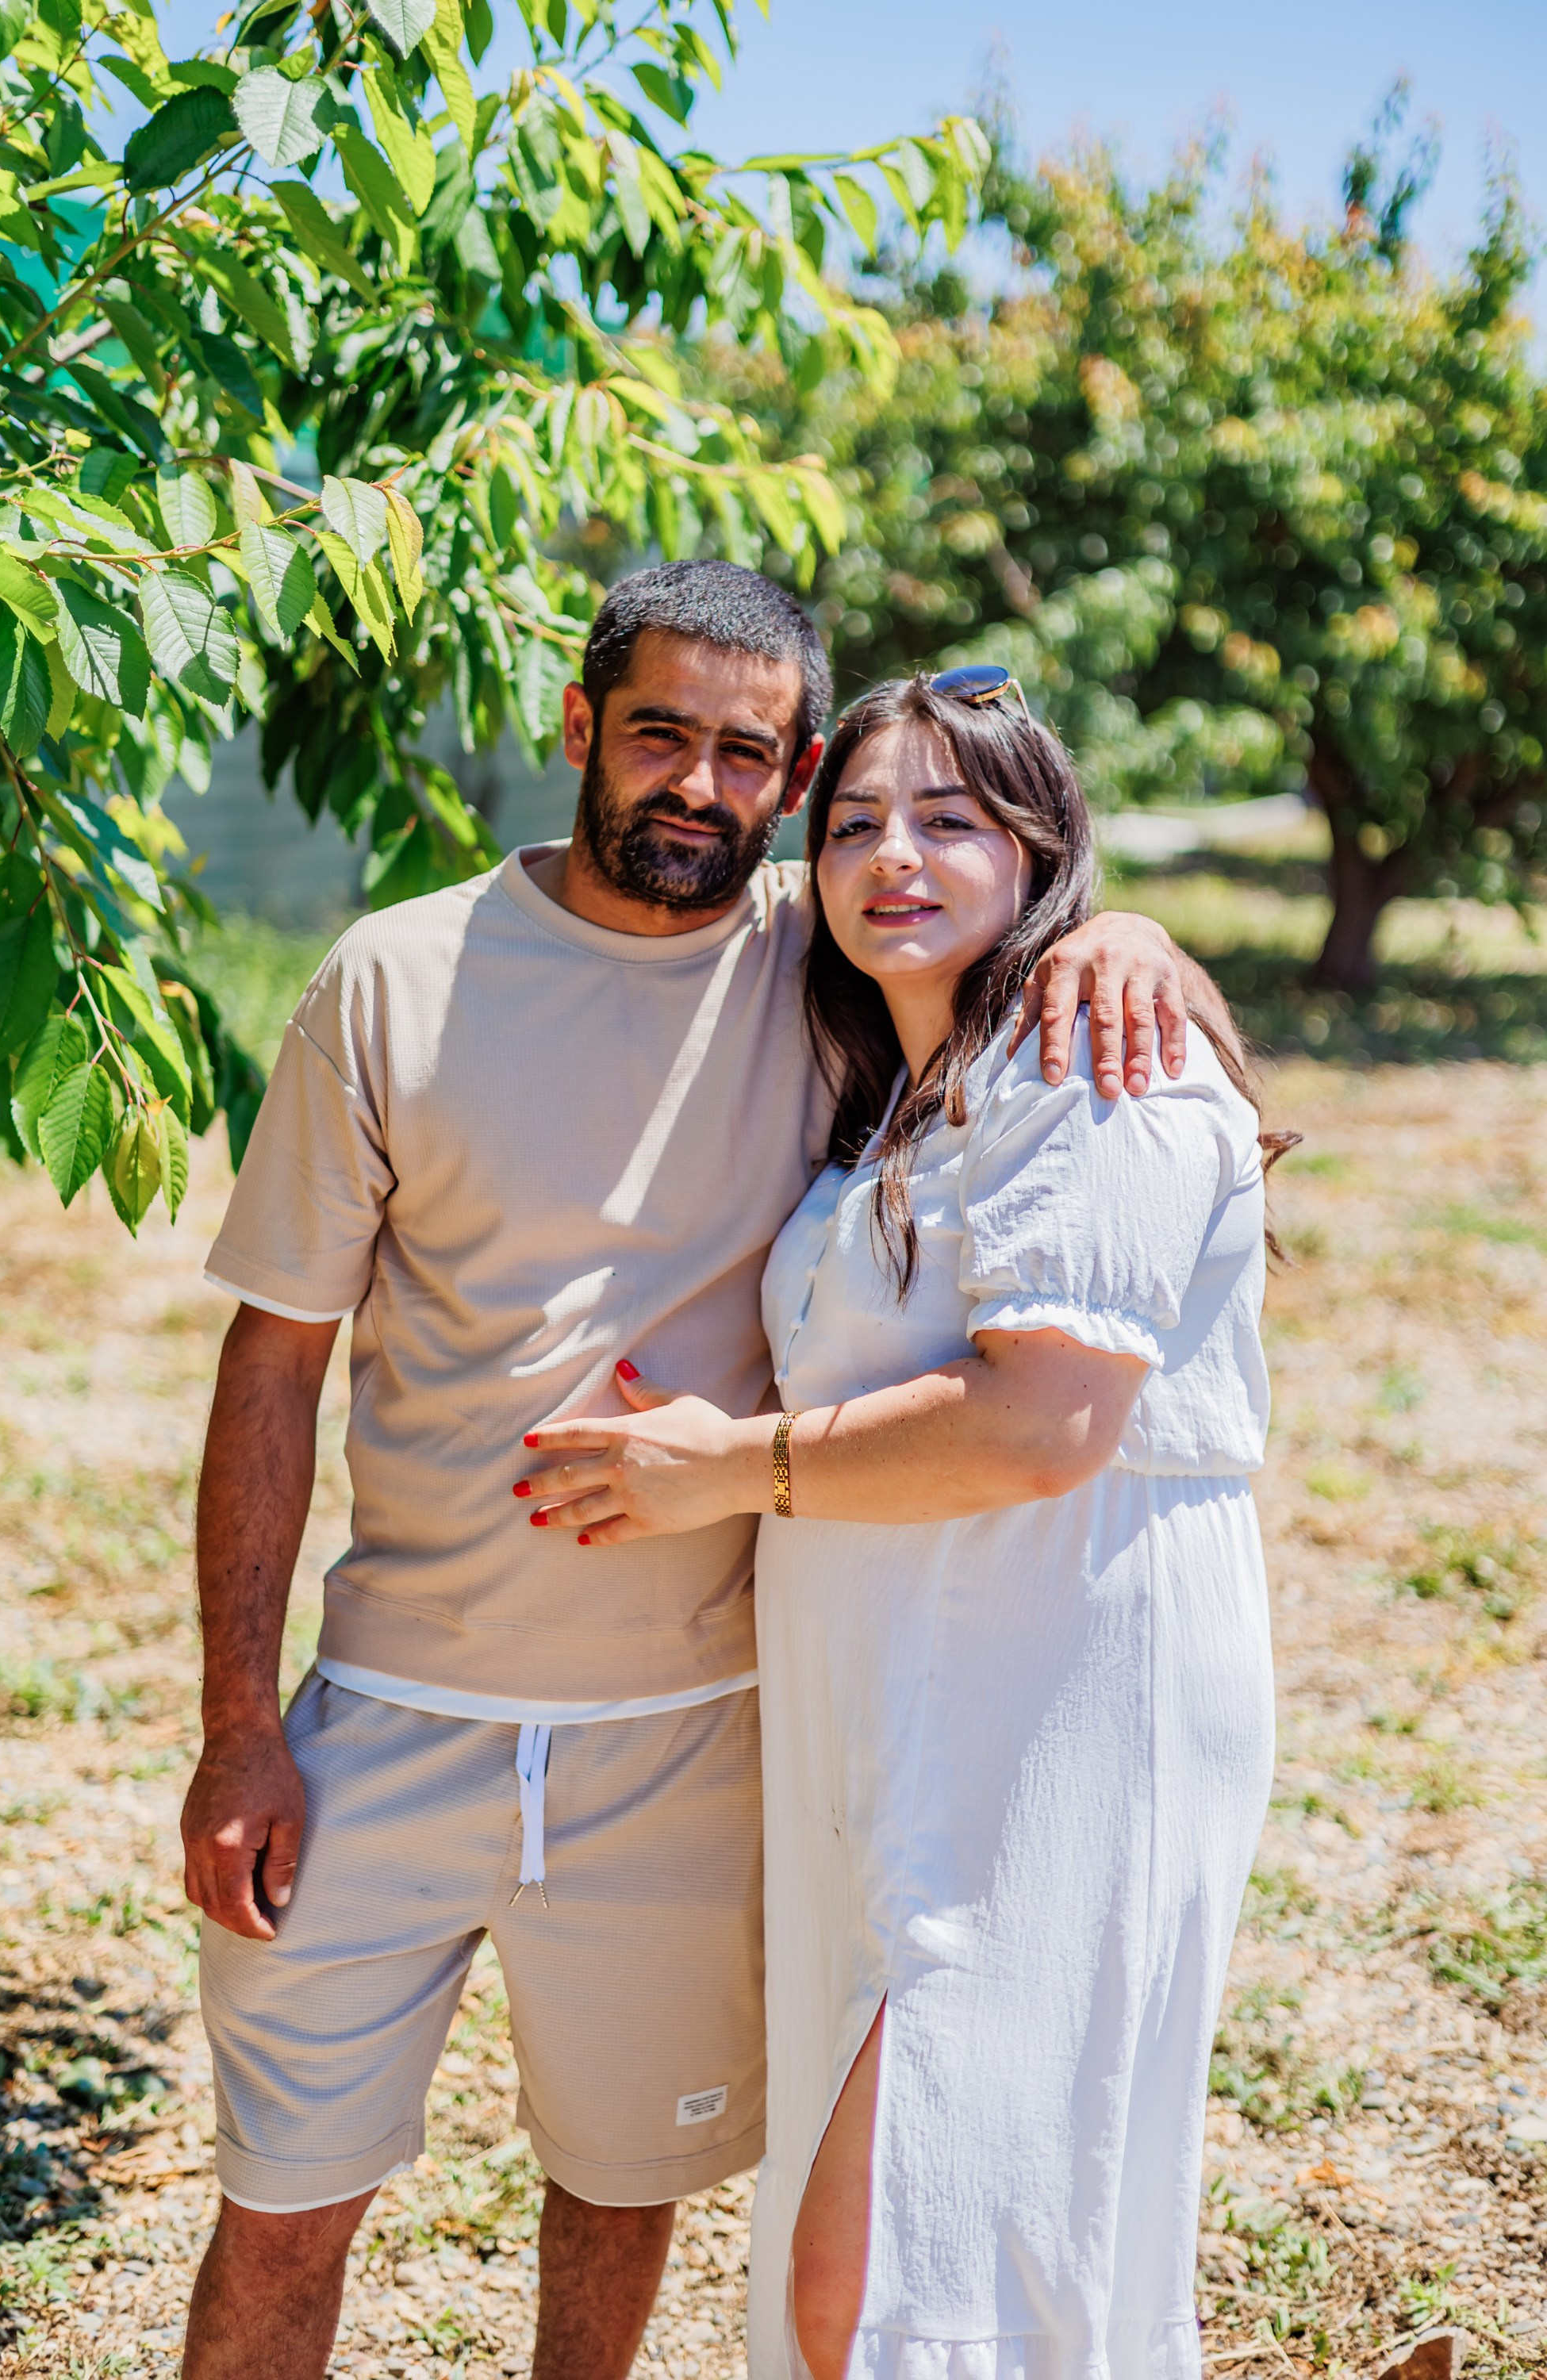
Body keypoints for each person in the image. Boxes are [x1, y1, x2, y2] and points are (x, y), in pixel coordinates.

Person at [179, 562, 1224, 2380]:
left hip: (689, 1737)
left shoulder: (822, 964)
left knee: (622, 2195)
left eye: (749, 755)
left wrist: (1126, 934)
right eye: (658, 734)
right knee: (279, 2213)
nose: (697, 784)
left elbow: (1006, 915)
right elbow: (272, 1363)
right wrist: (236, 1724)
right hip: (388, 1715)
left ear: (791, 773)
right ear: (579, 727)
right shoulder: (393, 979)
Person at [520, 666, 1279, 2380]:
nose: (893, 857)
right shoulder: (893, 1094)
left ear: (1040, 848)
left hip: (1052, 1694)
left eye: (950, 818)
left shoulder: (1099, 1064)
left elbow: (1042, 1420)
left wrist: (734, 1466)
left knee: (903, 2252)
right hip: (897, 1697)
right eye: (855, 821)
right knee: (901, 2220)